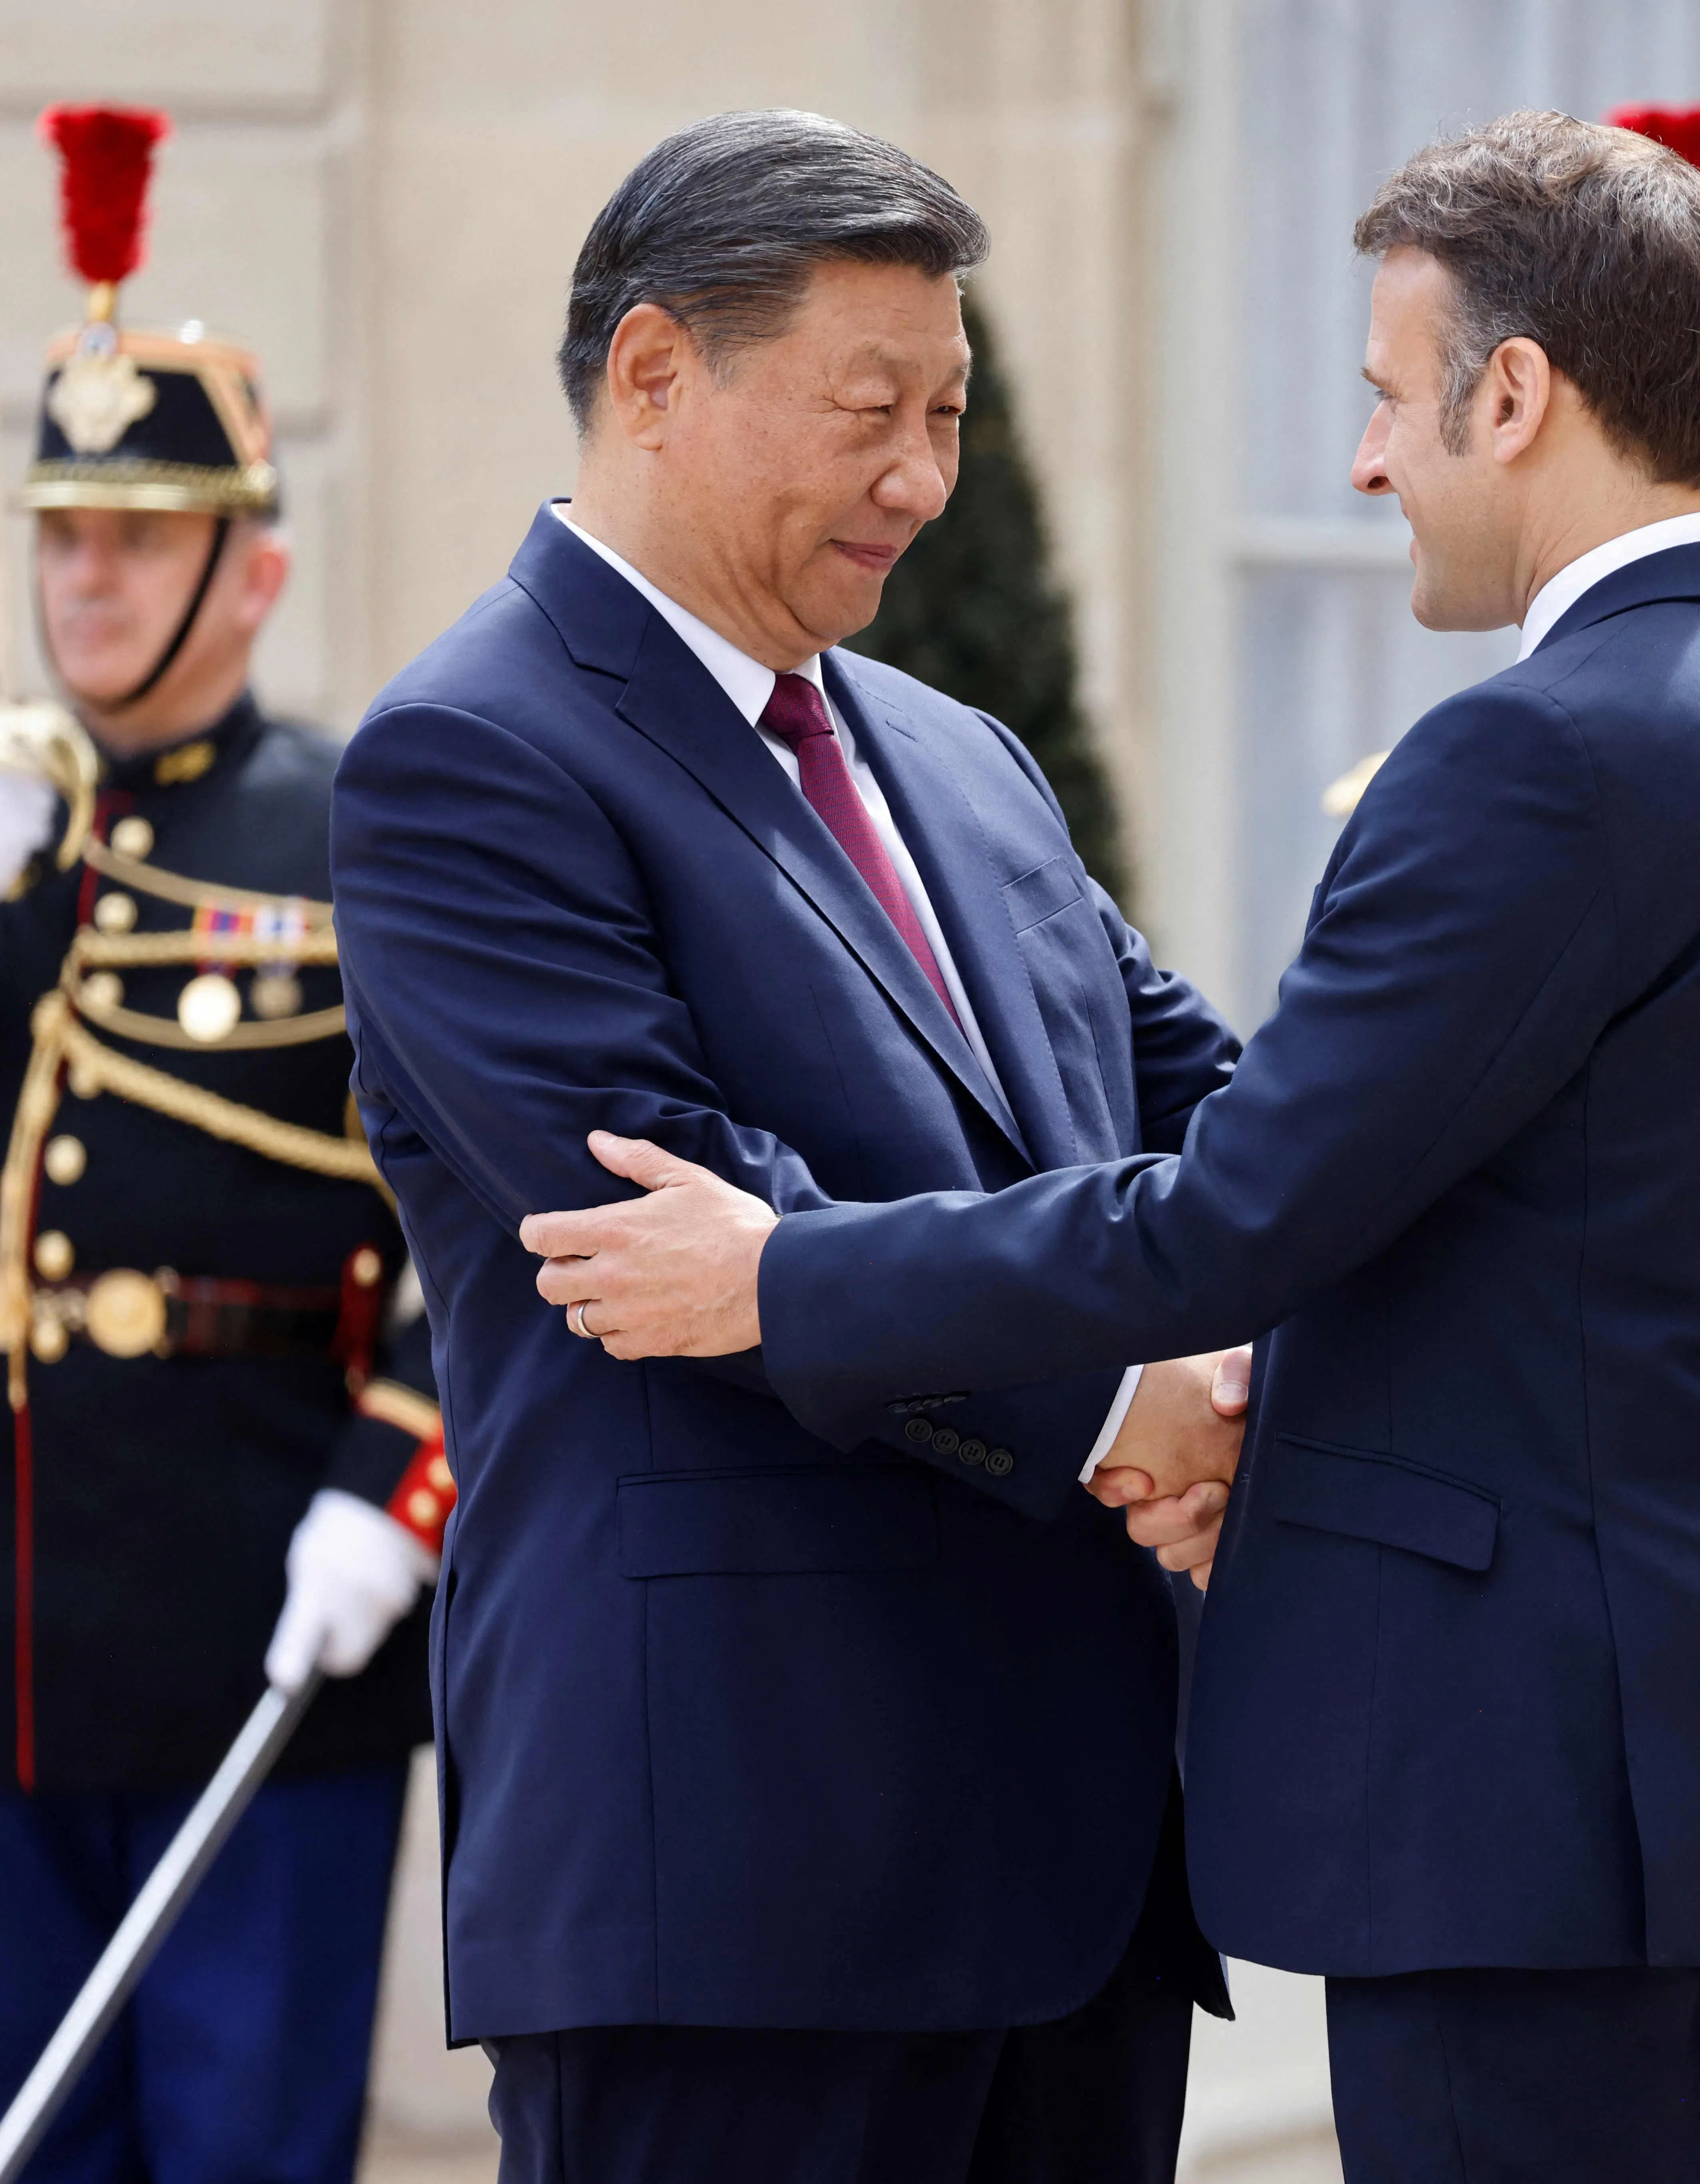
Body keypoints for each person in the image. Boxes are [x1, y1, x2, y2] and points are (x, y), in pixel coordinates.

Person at [518, 110, 1700, 2184]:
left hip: (1542, 1815)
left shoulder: (1536, 753)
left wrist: (782, 1273)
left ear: (1514, 393)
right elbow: (1574, 1236)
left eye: (1390, 398)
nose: (1373, 461)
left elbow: (1243, 1207)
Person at [326, 111, 1251, 2184]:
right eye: (873, 410)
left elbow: (1208, 1114)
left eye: (950, 412)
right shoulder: (472, 754)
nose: (923, 477)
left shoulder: (959, 756)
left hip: (1078, 1865)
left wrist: (1270, 1358)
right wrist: (1134, 1402)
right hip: (740, 1874)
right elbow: (667, 1211)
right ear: (655, 374)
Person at [0, 107, 450, 2184]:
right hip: (17, 1675)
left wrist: (398, 1494)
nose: (88, 581)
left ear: (250, 565)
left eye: (142, 536)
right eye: (62, 536)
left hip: (267, 1649)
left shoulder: (365, 837)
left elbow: (508, 1222)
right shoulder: (17, 849)